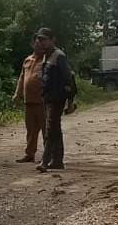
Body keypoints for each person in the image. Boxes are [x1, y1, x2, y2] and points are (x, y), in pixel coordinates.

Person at [35, 27, 76, 172]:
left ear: (52, 40)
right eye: (39, 40)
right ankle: (57, 160)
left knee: (50, 129)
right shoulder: (47, 56)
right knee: (55, 129)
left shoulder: (58, 56)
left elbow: (69, 79)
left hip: (57, 98)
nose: (41, 43)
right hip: (48, 98)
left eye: (44, 40)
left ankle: (45, 161)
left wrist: (71, 101)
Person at [13, 36, 46, 163]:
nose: (38, 46)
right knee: (30, 129)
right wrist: (17, 94)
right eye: (36, 43)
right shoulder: (27, 60)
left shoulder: (46, 60)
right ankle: (29, 154)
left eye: (41, 43)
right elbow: (21, 78)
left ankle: (47, 155)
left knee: (45, 129)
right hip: (28, 101)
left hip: (42, 101)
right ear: (32, 44)